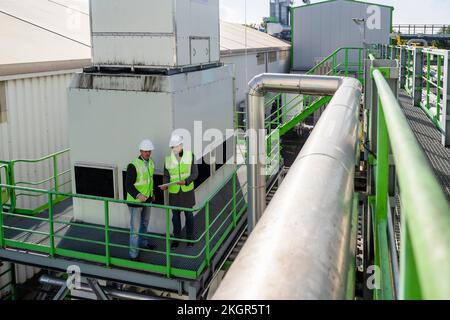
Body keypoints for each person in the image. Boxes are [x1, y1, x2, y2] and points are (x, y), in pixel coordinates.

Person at [160, 135, 198, 248]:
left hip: (187, 191)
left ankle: (190, 239)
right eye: (172, 147)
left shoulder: (190, 156)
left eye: (175, 146)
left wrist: (186, 181)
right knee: (175, 218)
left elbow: (195, 174)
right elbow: (166, 175)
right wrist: (165, 184)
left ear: (181, 145)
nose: (173, 149)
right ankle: (176, 239)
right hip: (174, 193)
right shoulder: (168, 159)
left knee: (189, 216)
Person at [125, 139, 156, 260]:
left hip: (147, 201)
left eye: (149, 151)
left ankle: (143, 244)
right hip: (135, 203)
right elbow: (128, 185)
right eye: (145, 151)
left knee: (145, 223)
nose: (147, 153)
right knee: (135, 229)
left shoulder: (151, 163)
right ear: (140, 151)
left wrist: (152, 193)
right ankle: (133, 255)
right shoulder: (133, 165)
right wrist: (138, 195)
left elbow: (150, 181)